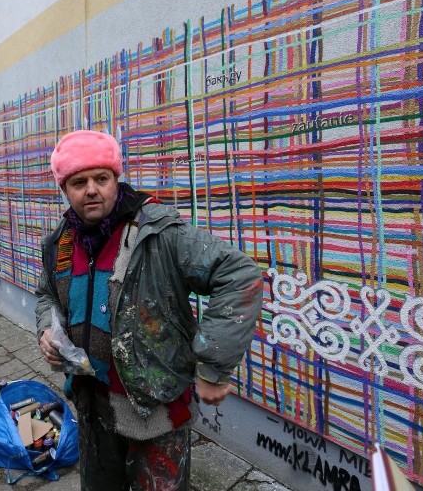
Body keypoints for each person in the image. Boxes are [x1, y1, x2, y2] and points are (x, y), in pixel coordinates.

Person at [35, 130, 263, 491]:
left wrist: (214, 363)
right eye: (78, 182)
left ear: (116, 179)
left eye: (101, 178)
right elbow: (47, 294)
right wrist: (49, 332)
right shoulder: (60, 242)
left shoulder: (158, 233)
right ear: (65, 189)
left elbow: (240, 277)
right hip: (92, 409)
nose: (91, 189)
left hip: (155, 415)